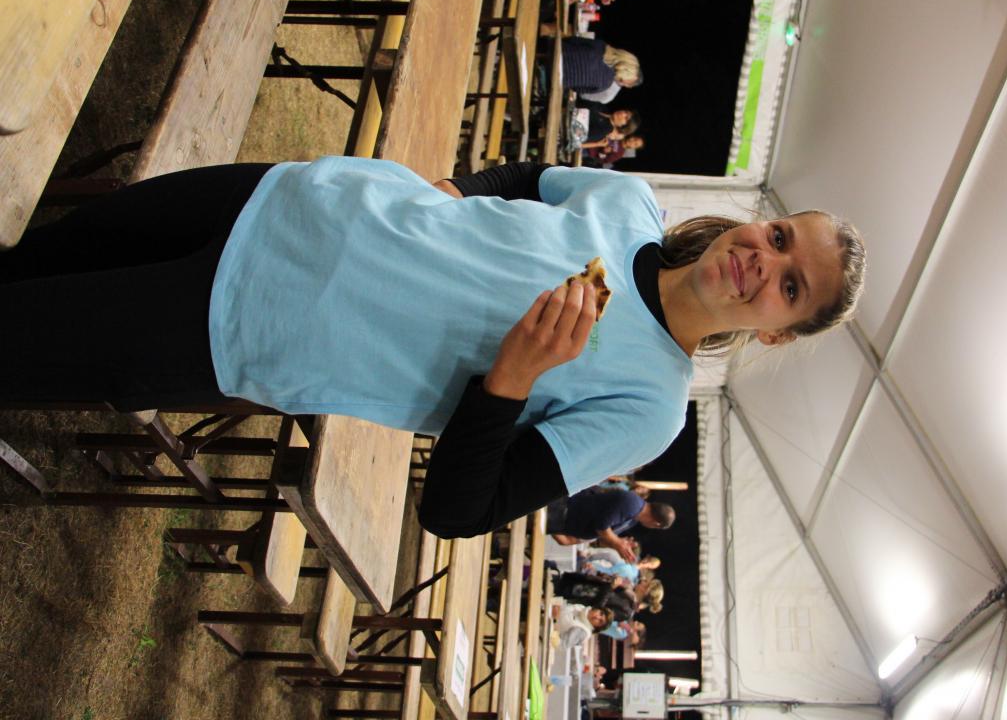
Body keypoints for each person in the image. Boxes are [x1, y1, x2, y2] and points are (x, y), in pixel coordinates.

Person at [0, 158, 866, 539]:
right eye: (781, 235)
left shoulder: (650, 408)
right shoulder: (629, 203)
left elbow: (459, 510)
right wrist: (456, 187)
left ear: (776, 332)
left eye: (791, 285)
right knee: (41, 257)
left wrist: (510, 381)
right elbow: (530, 177)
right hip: (281, 198)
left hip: (246, 322)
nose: (766, 261)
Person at [547, 487, 673, 561]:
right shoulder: (632, 503)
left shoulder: (633, 519)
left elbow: (602, 533)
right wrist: (617, 543)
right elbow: (602, 526)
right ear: (656, 524)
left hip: (563, 523)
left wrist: (617, 543)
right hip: (561, 511)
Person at [562, 37, 642, 96]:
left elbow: (571, 40)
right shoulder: (605, 85)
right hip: (557, 78)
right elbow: (576, 88)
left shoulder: (601, 46)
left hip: (557, 51)